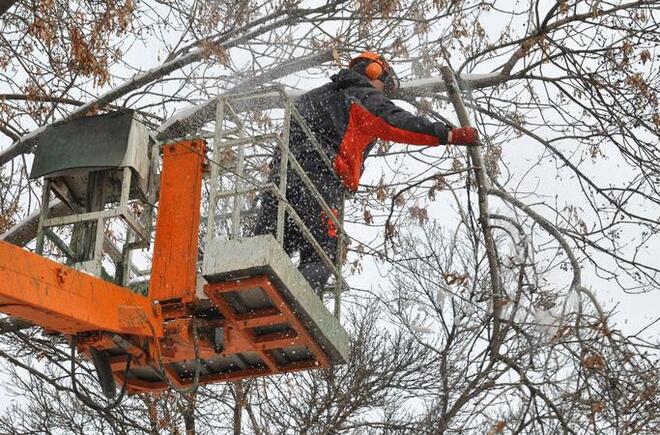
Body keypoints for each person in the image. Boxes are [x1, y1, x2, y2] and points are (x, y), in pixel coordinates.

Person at [253, 52, 478, 293]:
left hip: (281, 180)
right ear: (374, 72)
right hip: (318, 180)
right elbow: (395, 122)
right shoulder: (359, 95)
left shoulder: (312, 97)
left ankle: (252, 295)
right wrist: (446, 134)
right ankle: (293, 309)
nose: (383, 92)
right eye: (385, 83)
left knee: (266, 251)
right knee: (321, 253)